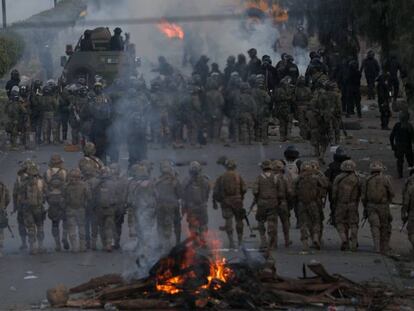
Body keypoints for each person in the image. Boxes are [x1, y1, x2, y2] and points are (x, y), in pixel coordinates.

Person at [213, 159, 247, 248]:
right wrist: (241, 197)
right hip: (237, 202)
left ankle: (231, 242)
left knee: (228, 221)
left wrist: (218, 201)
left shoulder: (221, 177)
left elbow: (216, 191)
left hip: (226, 202)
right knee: (239, 221)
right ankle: (239, 241)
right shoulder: (238, 176)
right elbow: (244, 189)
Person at [362, 161, 394, 253]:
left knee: (374, 226)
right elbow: (392, 193)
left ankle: (377, 247)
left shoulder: (367, 180)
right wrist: (389, 200)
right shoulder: (386, 179)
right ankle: (384, 247)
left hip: (371, 206)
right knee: (385, 226)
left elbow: (363, 196)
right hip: (383, 207)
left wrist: (365, 207)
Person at [331, 160, 362, 251]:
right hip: (352, 204)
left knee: (340, 222)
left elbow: (334, 193)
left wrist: (334, 202)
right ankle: (354, 241)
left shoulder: (338, 178)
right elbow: (361, 192)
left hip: (341, 204)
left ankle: (344, 239)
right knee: (353, 223)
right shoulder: (357, 178)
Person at [294, 162, 325, 250]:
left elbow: (292, 191)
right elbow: (325, 184)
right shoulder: (316, 177)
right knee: (316, 221)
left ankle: (305, 243)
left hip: (301, 204)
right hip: (313, 203)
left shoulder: (298, 178)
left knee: (303, 223)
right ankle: (315, 237)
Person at [19, 162, 46, 255]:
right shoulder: (41, 181)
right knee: (40, 227)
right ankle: (41, 246)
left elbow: (20, 197)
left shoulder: (24, 183)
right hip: (39, 208)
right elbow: (46, 193)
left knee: (31, 228)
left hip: (27, 209)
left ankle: (32, 247)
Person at [154, 161, 182, 249]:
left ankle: (161, 242)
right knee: (174, 224)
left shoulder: (157, 180)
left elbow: (154, 194)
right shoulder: (174, 180)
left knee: (160, 224)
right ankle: (176, 242)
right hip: (172, 206)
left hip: (160, 205)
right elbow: (180, 194)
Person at [44, 154, 69, 251]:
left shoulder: (47, 172)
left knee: (55, 223)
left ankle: (57, 244)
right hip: (62, 199)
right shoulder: (65, 172)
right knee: (65, 221)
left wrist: (48, 198)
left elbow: (44, 187)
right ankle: (64, 237)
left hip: (52, 200)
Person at [252, 160, 278, 252]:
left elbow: (255, 191)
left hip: (262, 203)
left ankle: (263, 241)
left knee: (260, 221)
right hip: (273, 203)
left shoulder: (259, 178)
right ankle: (271, 242)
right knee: (272, 222)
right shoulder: (275, 177)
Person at [181, 162, 210, 243]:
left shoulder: (186, 181)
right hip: (202, 207)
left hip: (191, 207)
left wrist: (184, 207)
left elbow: (182, 194)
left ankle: (195, 241)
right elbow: (207, 192)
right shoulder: (205, 180)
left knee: (193, 225)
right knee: (203, 224)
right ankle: (203, 240)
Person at [64, 169, 91, 252]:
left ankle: (74, 247)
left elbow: (63, 197)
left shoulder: (66, 186)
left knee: (72, 229)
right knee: (81, 227)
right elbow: (89, 197)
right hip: (80, 209)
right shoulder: (84, 185)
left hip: (70, 209)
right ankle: (82, 246)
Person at [325, 147, 350, 225]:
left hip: (333, 189)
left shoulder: (332, 165)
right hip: (345, 189)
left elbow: (326, 176)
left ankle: (334, 218)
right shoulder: (349, 165)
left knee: (333, 204)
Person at [89, 81, 112, 162]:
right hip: (97, 122)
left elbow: (110, 107)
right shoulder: (92, 98)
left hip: (104, 122)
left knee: (105, 142)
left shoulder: (106, 97)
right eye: (96, 87)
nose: (98, 89)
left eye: (99, 87)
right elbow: (90, 110)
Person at [272, 160, 292, 248]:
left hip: (273, 203)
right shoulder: (285, 178)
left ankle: (274, 242)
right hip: (283, 202)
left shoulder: (270, 179)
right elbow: (289, 192)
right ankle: (287, 241)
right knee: (285, 222)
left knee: (273, 223)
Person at [390, 111, 414, 178]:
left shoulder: (397, 125)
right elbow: (412, 138)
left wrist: (393, 146)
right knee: (410, 161)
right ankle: (411, 174)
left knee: (400, 161)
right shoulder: (409, 126)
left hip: (399, 146)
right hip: (407, 146)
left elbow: (391, 136)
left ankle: (400, 175)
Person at [273, 76, 294, 142]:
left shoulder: (277, 90)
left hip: (280, 108)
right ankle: (287, 136)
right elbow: (287, 98)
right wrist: (290, 97)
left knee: (282, 123)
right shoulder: (286, 90)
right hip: (285, 108)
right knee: (288, 123)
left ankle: (282, 137)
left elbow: (274, 98)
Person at [252, 74, 271, 143]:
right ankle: (264, 138)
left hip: (255, 110)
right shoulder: (264, 92)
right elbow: (268, 100)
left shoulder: (252, 91)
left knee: (256, 125)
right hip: (263, 110)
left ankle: (257, 138)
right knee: (264, 125)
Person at [402, 178, 414, 254]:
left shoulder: (411, 188)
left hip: (412, 213)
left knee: (411, 232)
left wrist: (403, 213)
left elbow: (406, 203)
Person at [0, 181, 10, 257]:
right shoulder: (3, 186)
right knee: (0, 231)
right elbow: (8, 198)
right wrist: (4, 207)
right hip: (1, 210)